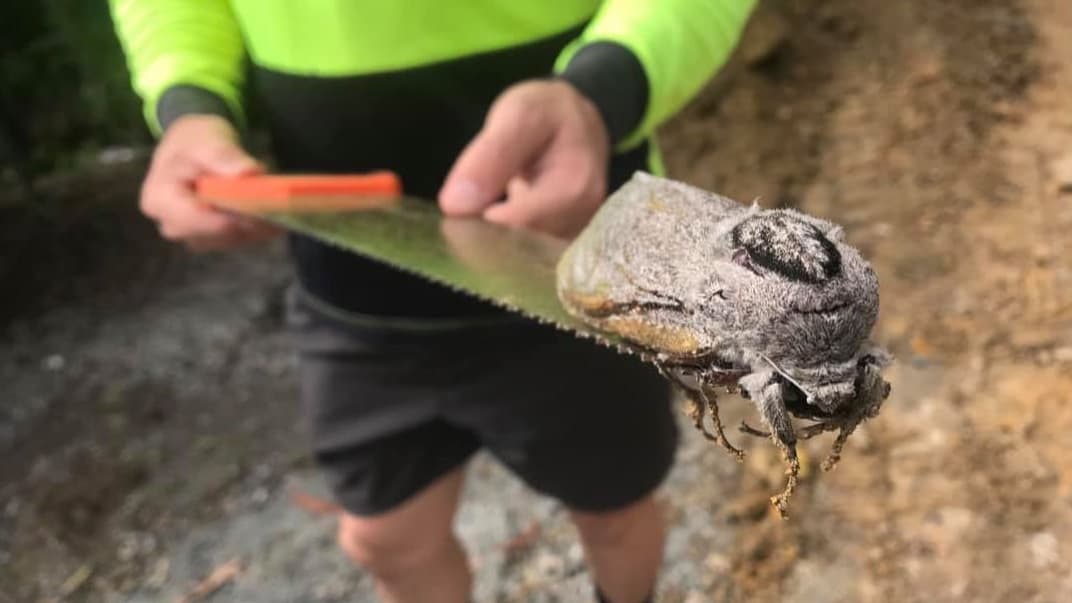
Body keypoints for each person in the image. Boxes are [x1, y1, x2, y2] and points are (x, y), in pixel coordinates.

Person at [107, 2, 757, 602]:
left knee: (617, 510)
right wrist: (188, 103)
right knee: (386, 541)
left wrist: (602, 91)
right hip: (352, 296)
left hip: (576, 277)